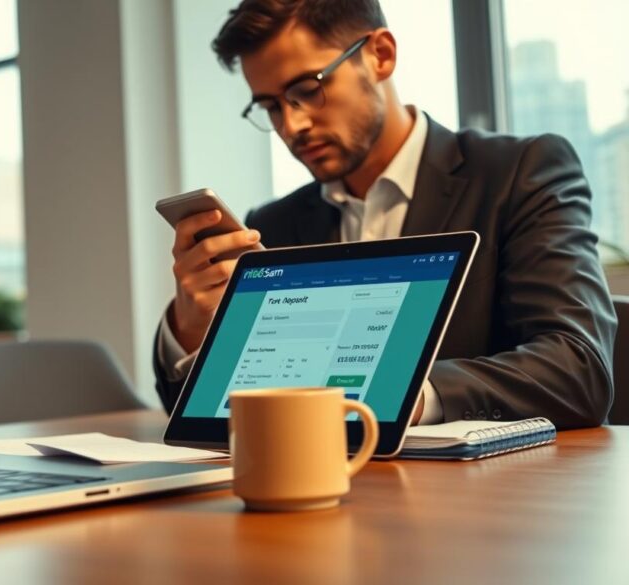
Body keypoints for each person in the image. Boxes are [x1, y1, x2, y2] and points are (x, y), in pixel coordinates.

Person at [152, 0, 616, 430]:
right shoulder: (271, 227)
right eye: (271, 106)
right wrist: (193, 329)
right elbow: (203, 421)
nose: (292, 126)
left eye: (307, 90)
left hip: (487, 498)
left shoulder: (520, 174)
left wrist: (409, 396)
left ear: (381, 54)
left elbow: (578, 366)